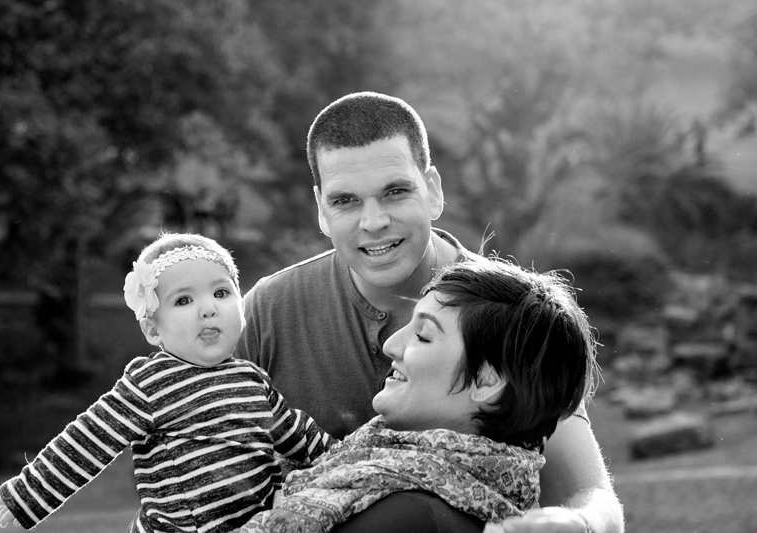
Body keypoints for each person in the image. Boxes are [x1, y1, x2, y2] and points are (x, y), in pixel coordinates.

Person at [237, 91, 625, 532]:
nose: (373, 221)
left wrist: (576, 525)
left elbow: (589, 492)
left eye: (395, 191)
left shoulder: (503, 308)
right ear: (322, 210)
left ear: (433, 190)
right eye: (345, 201)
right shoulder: (266, 313)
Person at [0, 233, 332, 532]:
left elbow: (296, 434)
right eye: (184, 300)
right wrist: (29, 493)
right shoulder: (150, 383)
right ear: (153, 330)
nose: (208, 309)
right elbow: (90, 437)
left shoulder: (252, 380)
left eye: (221, 293)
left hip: (255, 523)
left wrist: (342, 454)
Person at [240, 258, 596, 533]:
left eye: (423, 335)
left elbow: (592, 492)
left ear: (487, 382)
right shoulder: (423, 491)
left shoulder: (409, 516)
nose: (392, 344)